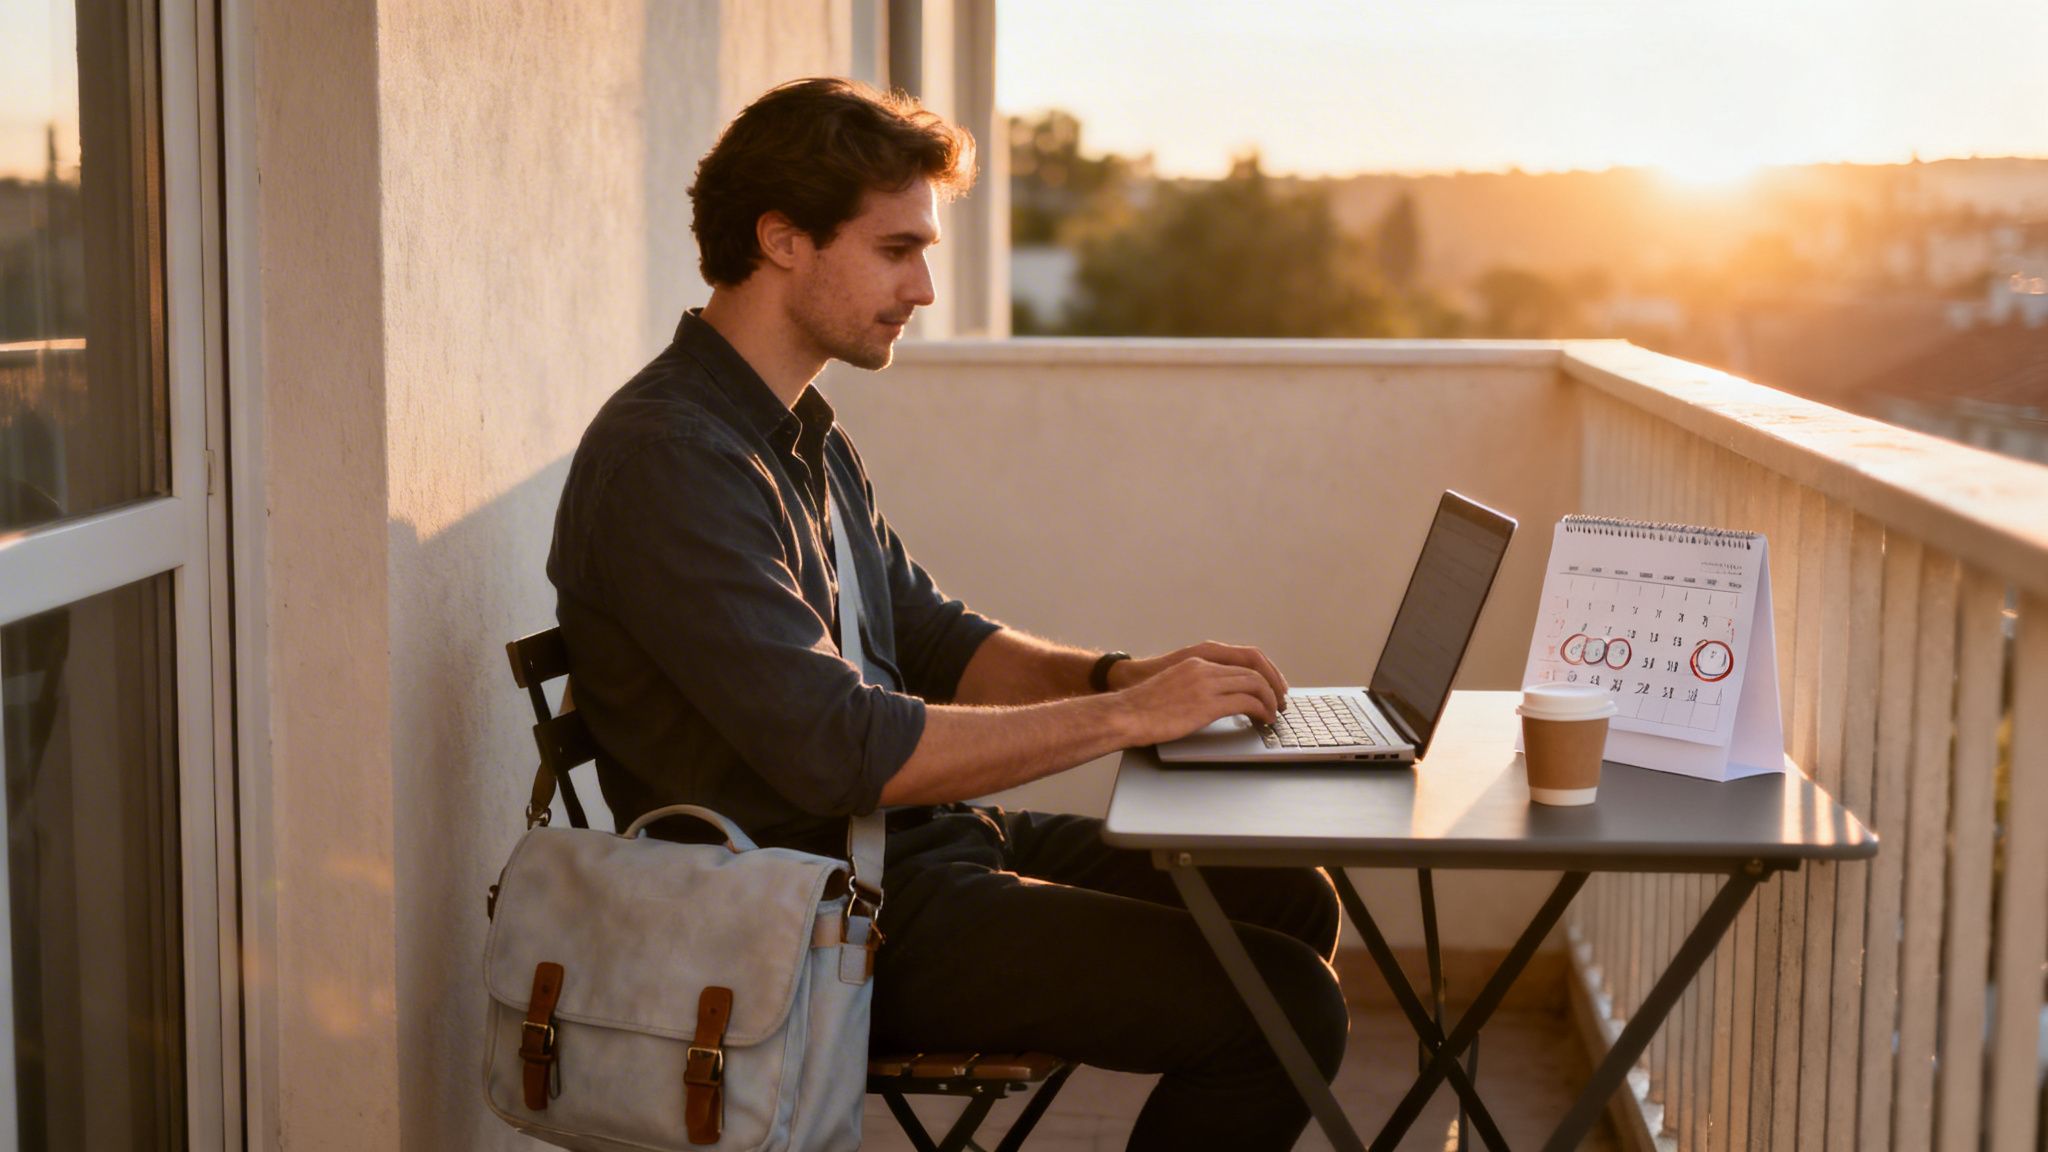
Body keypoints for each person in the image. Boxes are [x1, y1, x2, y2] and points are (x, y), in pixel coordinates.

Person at [547, 77, 1348, 1150]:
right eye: (895, 250)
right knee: (1283, 1004)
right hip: (807, 918)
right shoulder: (671, 462)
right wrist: (1127, 723)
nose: (923, 287)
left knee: (1282, 896)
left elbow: (933, 640)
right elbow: (844, 749)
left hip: (899, 857)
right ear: (782, 241)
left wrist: (1122, 675)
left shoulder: (800, 436)